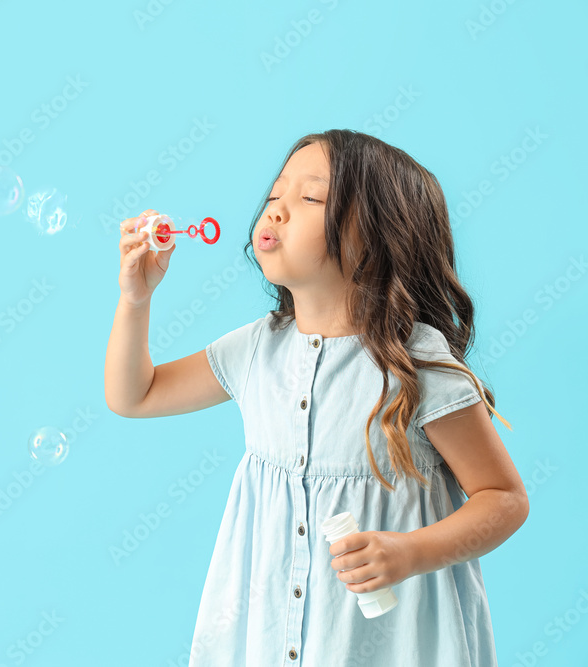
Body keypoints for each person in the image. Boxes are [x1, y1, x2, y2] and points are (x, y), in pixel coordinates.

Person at [103, 129, 529, 666]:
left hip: (388, 642)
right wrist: (135, 298)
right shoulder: (258, 348)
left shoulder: (414, 362)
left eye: (309, 198)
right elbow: (134, 395)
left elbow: (504, 498)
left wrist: (409, 552)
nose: (276, 211)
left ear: (376, 236)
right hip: (264, 636)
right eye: (276, 195)